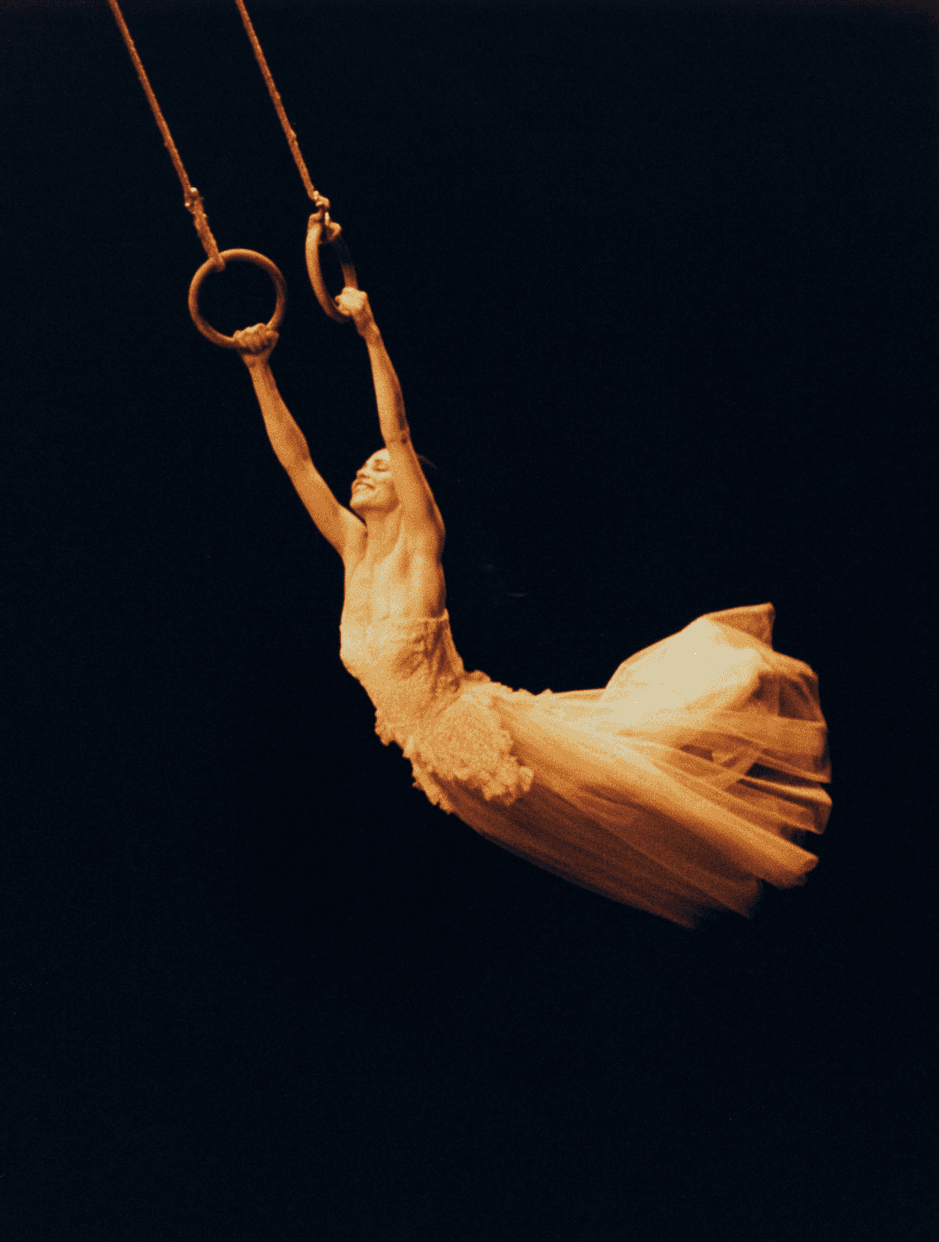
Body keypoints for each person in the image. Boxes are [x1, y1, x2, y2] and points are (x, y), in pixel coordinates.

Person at [233, 288, 831, 929]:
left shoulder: (420, 544)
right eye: (364, 468)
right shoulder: (355, 551)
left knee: (633, 776)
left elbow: (397, 433)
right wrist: (258, 368)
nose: (366, 472)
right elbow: (298, 465)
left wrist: (370, 333)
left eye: (381, 469)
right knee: (612, 802)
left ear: (414, 494)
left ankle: (744, 736)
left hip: (483, 731)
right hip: (439, 766)